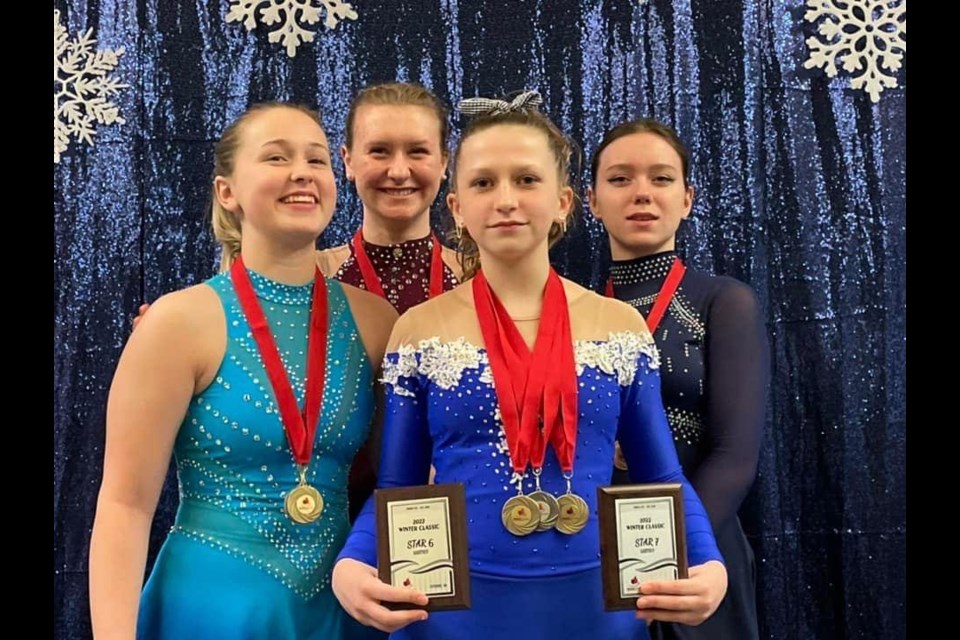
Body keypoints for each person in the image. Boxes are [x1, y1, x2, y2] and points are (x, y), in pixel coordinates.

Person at [330, 92, 728, 639]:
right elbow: (399, 488)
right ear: (457, 208)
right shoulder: (418, 330)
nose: (506, 200)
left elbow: (661, 476)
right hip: (453, 614)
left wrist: (709, 565)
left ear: (564, 201)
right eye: (483, 183)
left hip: (598, 608)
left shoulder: (619, 327)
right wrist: (351, 566)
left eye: (526, 180)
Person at [88, 102, 397, 639]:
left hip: (340, 608)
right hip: (211, 609)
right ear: (227, 192)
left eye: (317, 160)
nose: (301, 172)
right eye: (276, 157)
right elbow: (125, 505)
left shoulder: (374, 321)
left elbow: (395, 478)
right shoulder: (178, 321)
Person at [133, 83, 462, 520]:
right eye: (379, 151)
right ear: (346, 161)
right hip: (316, 524)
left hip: (448, 519)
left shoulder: (476, 282)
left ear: (444, 164)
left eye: (417, 152)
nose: (398, 170)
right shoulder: (296, 279)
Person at [589, 118, 769, 640]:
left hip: (697, 554)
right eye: (620, 179)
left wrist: (669, 548)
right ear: (591, 200)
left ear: (687, 198)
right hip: (591, 554)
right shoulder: (572, 308)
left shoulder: (723, 301)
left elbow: (735, 454)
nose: (641, 192)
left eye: (661, 179)